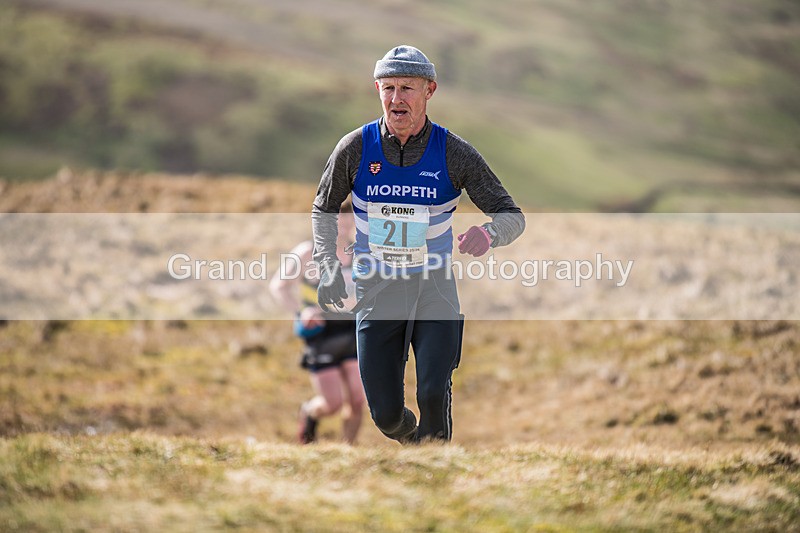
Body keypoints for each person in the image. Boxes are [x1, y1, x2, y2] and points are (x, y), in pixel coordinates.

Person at [312, 45, 525, 443]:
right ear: (377, 89)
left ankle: (437, 469)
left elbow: (511, 215)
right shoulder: (355, 148)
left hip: (434, 287)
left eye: (407, 88)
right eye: (388, 88)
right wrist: (326, 267)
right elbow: (323, 208)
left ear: (430, 91)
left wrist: (489, 234)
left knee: (431, 391)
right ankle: (416, 447)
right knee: (387, 416)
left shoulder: (454, 152)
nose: (396, 99)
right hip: (376, 288)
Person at [269, 200, 365, 444]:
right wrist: (301, 312)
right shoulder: (307, 251)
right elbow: (279, 287)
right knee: (332, 404)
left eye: (349, 216)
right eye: (337, 217)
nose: (343, 222)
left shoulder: (361, 251)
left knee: (357, 398)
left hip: (353, 330)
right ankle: (309, 413)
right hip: (321, 333)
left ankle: (348, 450)